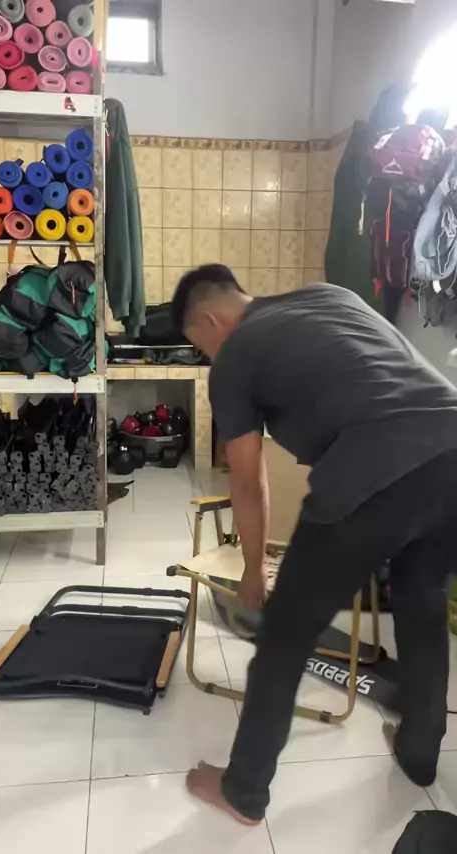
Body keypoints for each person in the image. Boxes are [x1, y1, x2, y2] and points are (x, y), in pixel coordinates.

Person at [170, 264, 457, 825]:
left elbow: (247, 479)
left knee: (284, 633)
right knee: (421, 601)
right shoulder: (331, 295)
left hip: (373, 468)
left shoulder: (234, 357)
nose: (207, 356)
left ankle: (243, 791)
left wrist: (254, 567)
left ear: (210, 320)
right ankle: (420, 753)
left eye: (199, 345)